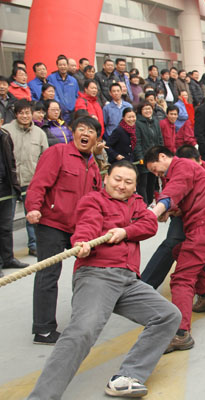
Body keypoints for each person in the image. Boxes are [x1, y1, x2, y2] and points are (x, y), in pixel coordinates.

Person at [27, 161, 181, 400]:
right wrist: (83, 242)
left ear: (135, 186)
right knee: (82, 332)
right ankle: (41, 397)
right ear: (106, 178)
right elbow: (87, 224)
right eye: (117, 179)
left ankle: (128, 376)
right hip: (97, 275)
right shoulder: (93, 200)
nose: (122, 185)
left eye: (128, 182)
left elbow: (150, 224)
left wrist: (125, 232)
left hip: (128, 280)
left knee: (168, 315)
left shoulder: (137, 202)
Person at [145, 146, 205, 352]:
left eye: (155, 169)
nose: (156, 174)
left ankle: (181, 333)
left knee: (181, 279)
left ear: (163, 157)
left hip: (204, 229)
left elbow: (174, 191)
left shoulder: (181, 166)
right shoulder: (186, 170)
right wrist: (169, 211)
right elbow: (184, 198)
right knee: (178, 251)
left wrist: (154, 213)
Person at [25, 116, 102, 344]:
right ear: (73, 132)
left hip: (80, 229)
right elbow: (39, 182)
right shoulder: (58, 152)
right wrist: (33, 207)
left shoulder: (93, 165)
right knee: (48, 274)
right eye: (81, 129)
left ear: (96, 139)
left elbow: (97, 200)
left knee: (92, 270)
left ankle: (85, 319)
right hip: (52, 224)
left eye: (91, 131)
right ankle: (43, 329)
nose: (85, 133)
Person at [4, 99, 49, 258]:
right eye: (21, 113)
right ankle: (6, 254)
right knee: (6, 221)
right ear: (16, 114)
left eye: (27, 113)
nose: (25, 116)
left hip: (31, 181)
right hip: (9, 183)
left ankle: (34, 245)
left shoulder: (39, 133)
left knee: (32, 215)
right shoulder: (6, 131)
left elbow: (45, 157)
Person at [0, 110, 28, 276]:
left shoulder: (5, 136)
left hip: (5, 186)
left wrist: (14, 184)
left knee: (6, 226)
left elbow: (11, 161)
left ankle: (8, 258)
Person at [134, 102, 163, 205]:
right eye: (145, 109)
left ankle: (150, 203)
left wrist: (160, 152)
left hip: (154, 157)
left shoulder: (155, 121)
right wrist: (140, 157)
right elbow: (137, 142)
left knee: (152, 182)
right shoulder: (138, 123)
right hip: (143, 158)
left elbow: (160, 138)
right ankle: (143, 205)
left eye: (149, 108)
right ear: (140, 111)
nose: (148, 111)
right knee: (143, 183)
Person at [47, 55, 79, 123]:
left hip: (72, 112)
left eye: (64, 65)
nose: (62, 67)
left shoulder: (73, 80)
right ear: (57, 66)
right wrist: (61, 107)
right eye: (60, 65)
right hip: (59, 112)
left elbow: (76, 95)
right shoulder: (51, 78)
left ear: (67, 66)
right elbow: (52, 95)